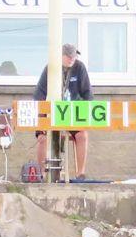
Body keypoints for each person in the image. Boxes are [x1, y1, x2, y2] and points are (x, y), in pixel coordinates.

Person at [33, 44, 94, 181]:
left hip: (73, 115)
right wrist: (41, 121)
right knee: (42, 138)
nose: (72, 59)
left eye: (74, 56)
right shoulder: (50, 68)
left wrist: (84, 113)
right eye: (68, 56)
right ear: (60, 56)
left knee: (82, 135)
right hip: (51, 114)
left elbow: (88, 94)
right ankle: (41, 174)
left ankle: (80, 174)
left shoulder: (80, 67)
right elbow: (39, 95)